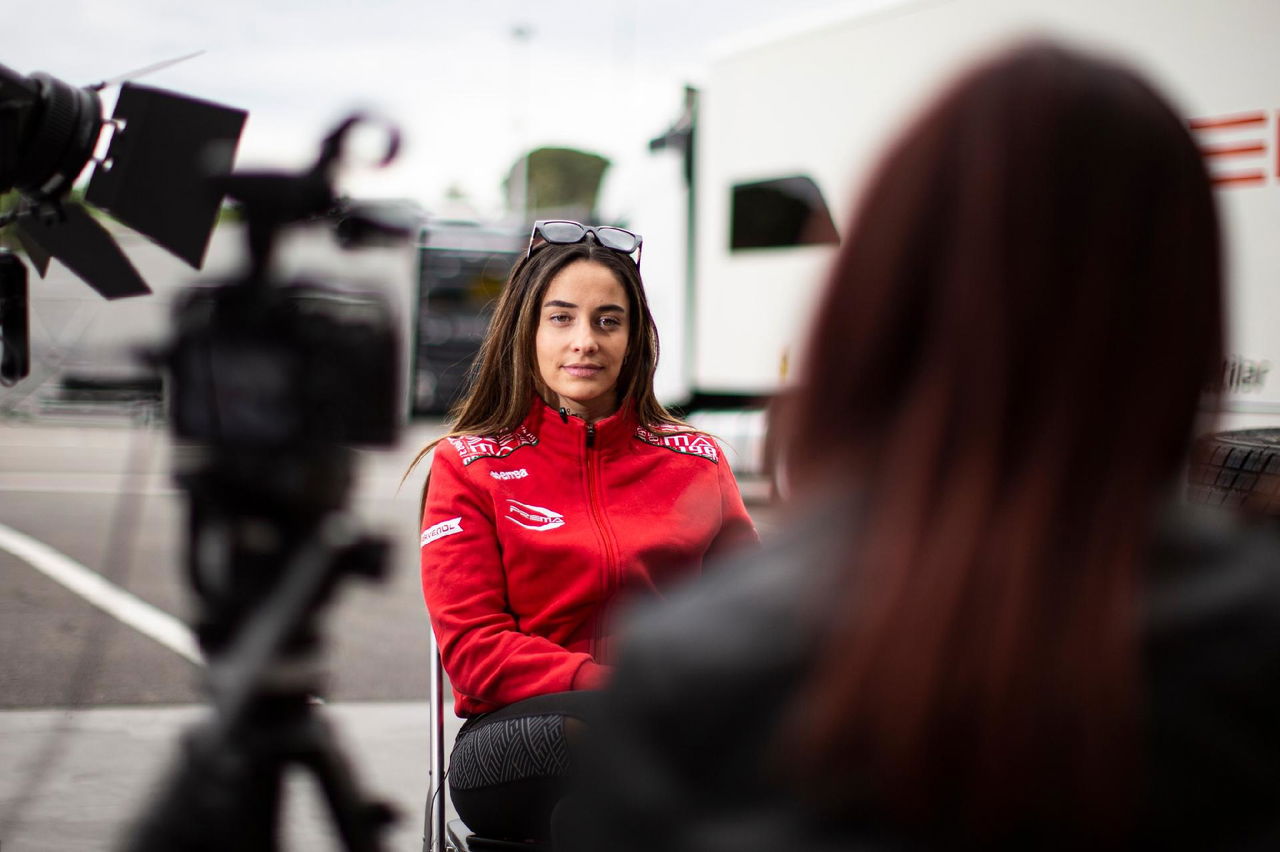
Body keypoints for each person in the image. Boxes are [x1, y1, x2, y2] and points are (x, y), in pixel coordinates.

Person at [579, 40, 1280, 851]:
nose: (588, 343)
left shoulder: (690, 667)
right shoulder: (1250, 650)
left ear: (874, 292)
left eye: (607, 318)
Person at [412, 219, 758, 844]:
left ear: (634, 339)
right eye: (561, 318)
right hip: (523, 736)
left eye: (608, 321)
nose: (585, 342)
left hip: (673, 724)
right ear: (528, 330)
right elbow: (474, 651)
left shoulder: (697, 460)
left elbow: (754, 617)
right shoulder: (468, 465)